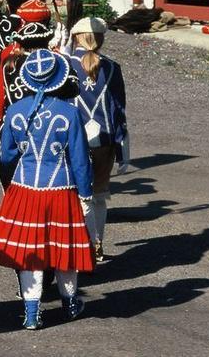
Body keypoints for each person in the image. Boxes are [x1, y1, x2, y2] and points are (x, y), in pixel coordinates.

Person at [0, 49, 94, 330]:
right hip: (61, 187)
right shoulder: (70, 112)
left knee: (28, 252)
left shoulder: (14, 111)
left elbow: (7, 156)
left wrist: (10, 184)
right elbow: (80, 159)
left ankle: (32, 313)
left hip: (24, 186)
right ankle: (70, 305)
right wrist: (85, 193)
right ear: (59, 79)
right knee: (64, 249)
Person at [67, 17, 128, 263]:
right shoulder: (113, 67)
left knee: (79, 197)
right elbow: (119, 110)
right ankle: (97, 245)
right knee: (99, 196)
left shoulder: (64, 64)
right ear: (101, 39)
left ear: (76, 37)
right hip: (105, 141)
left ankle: (84, 245)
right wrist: (124, 151)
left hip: (74, 141)